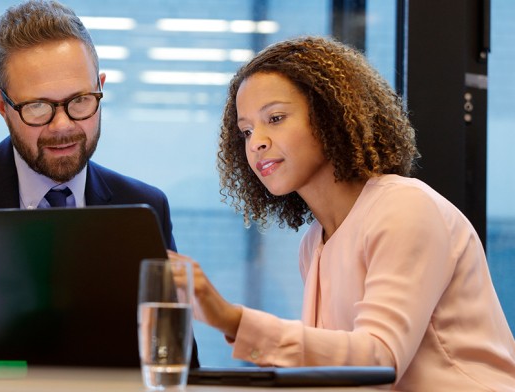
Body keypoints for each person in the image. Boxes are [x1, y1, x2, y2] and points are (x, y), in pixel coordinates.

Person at [169, 36, 515, 391]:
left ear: (330, 115)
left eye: (275, 118)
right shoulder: (314, 243)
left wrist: (232, 319)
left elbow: (379, 361)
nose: (256, 142)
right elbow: (336, 375)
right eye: (246, 130)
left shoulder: (404, 208)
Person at [0, 0, 198, 366]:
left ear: (100, 88)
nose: (63, 126)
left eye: (80, 101)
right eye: (38, 106)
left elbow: (175, 362)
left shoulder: (146, 204)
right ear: (2, 107)